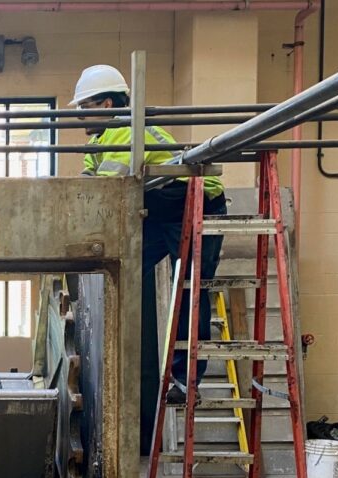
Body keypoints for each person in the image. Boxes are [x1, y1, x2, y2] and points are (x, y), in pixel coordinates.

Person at [70, 65, 228, 453]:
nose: (79, 117)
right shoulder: (103, 140)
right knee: (127, 273)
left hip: (195, 204)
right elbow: (89, 184)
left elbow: (106, 191)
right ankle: (127, 374)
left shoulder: (124, 134)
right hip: (159, 210)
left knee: (189, 294)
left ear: (108, 104)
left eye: (85, 108)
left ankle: (184, 381)